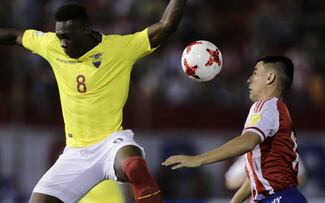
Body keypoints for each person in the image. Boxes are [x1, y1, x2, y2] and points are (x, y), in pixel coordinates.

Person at [0, 1, 187, 202]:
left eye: (67, 37)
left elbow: (167, 25)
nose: (62, 43)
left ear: (85, 30)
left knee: (134, 166)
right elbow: (15, 35)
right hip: (75, 152)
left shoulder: (120, 48)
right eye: (59, 36)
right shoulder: (52, 44)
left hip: (111, 143)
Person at [163, 55, 308, 203]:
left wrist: (198, 159)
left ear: (270, 77)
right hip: (285, 197)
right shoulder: (279, 109)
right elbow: (258, 175)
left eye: (255, 73)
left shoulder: (266, 106)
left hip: (279, 198)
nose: (249, 79)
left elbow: (247, 141)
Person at [224, 155, 307, 203]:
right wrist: (252, 180)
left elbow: (301, 177)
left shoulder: (288, 153)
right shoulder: (250, 156)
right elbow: (229, 182)